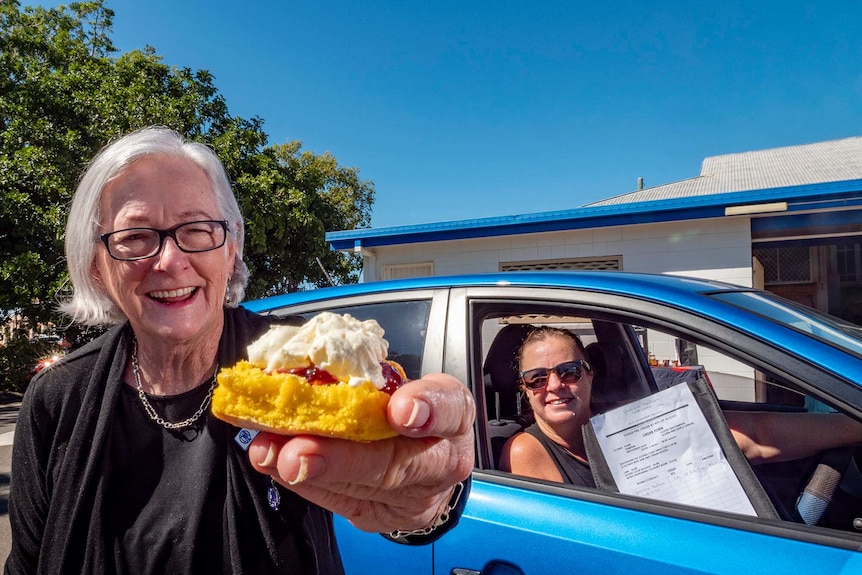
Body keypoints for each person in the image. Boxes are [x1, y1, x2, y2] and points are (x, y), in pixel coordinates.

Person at [5, 126, 475, 574]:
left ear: (231, 249)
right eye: (135, 237)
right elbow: (26, 562)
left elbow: (393, 476)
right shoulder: (56, 397)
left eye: (196, 229)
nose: (169, 261)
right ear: (95, 267)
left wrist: (430, 498)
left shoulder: (305, 364)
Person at [499, 326, 862, 486]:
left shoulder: (622, 427)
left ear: (591, 374)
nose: (555, 386)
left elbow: (752, 435)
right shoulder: (526, 452)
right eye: (537, 378)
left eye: (569, 371)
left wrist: (853, 424)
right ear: (525, 389)